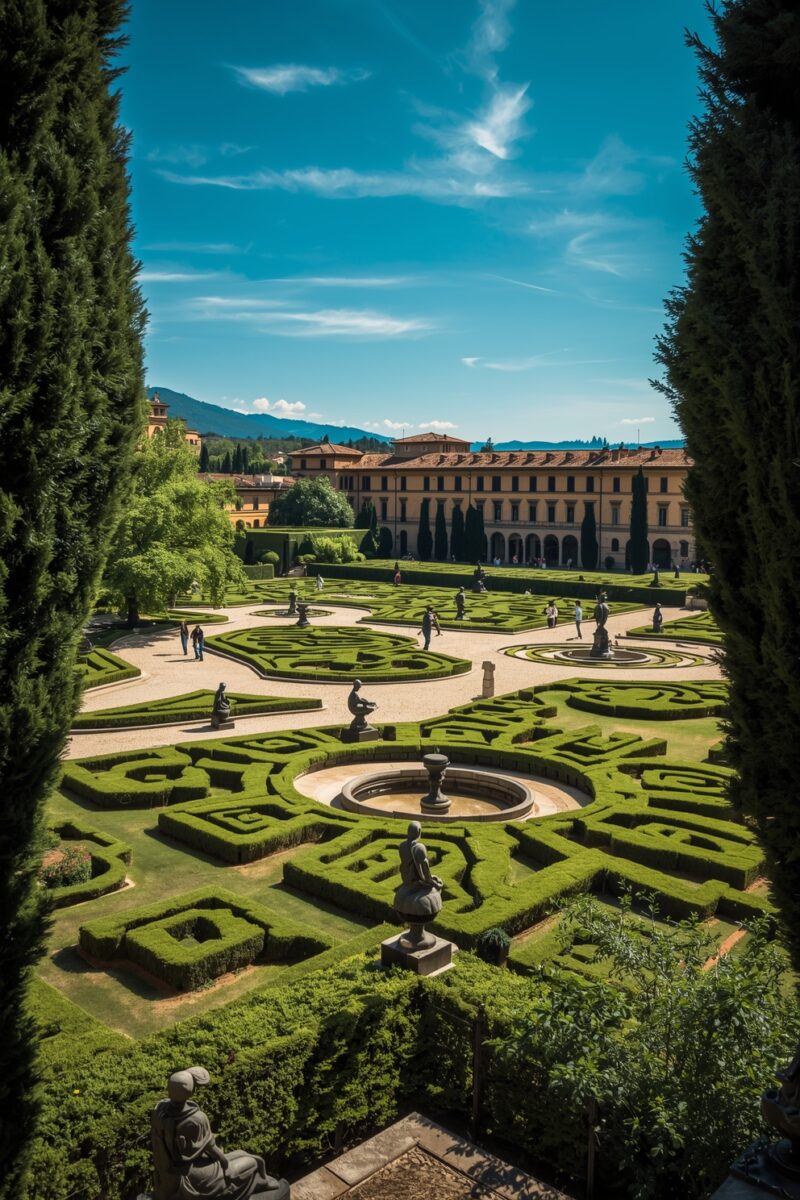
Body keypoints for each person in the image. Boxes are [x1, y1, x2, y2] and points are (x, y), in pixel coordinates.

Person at [150, 1065, 289, 1200]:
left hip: (171, 1172)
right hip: (195, 1175)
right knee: (252, 1161)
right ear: (190, 1092)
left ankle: (260, 1180)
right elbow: (211, 1148)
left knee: (241, 1154)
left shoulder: (159, 1111)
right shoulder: (196, 1119)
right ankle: (260, 1182)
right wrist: (224, 1163)